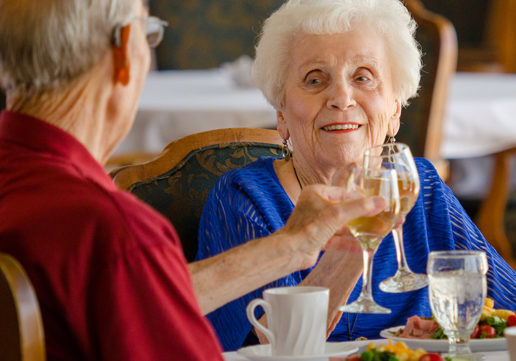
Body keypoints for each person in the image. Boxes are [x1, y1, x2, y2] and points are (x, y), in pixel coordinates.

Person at [0, 0, 386, 360]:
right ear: (124, 52)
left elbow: (134, 290)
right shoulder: (115, 233)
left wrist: (293, 246)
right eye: (149, 33)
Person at [196, 0, 516, 351]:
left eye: (363, 77)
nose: (341, 98)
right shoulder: (246, 200)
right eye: (314, 80)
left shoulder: (423, 190)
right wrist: (349, 247)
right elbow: (253, 349)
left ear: (394, 111)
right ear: (281, 113)